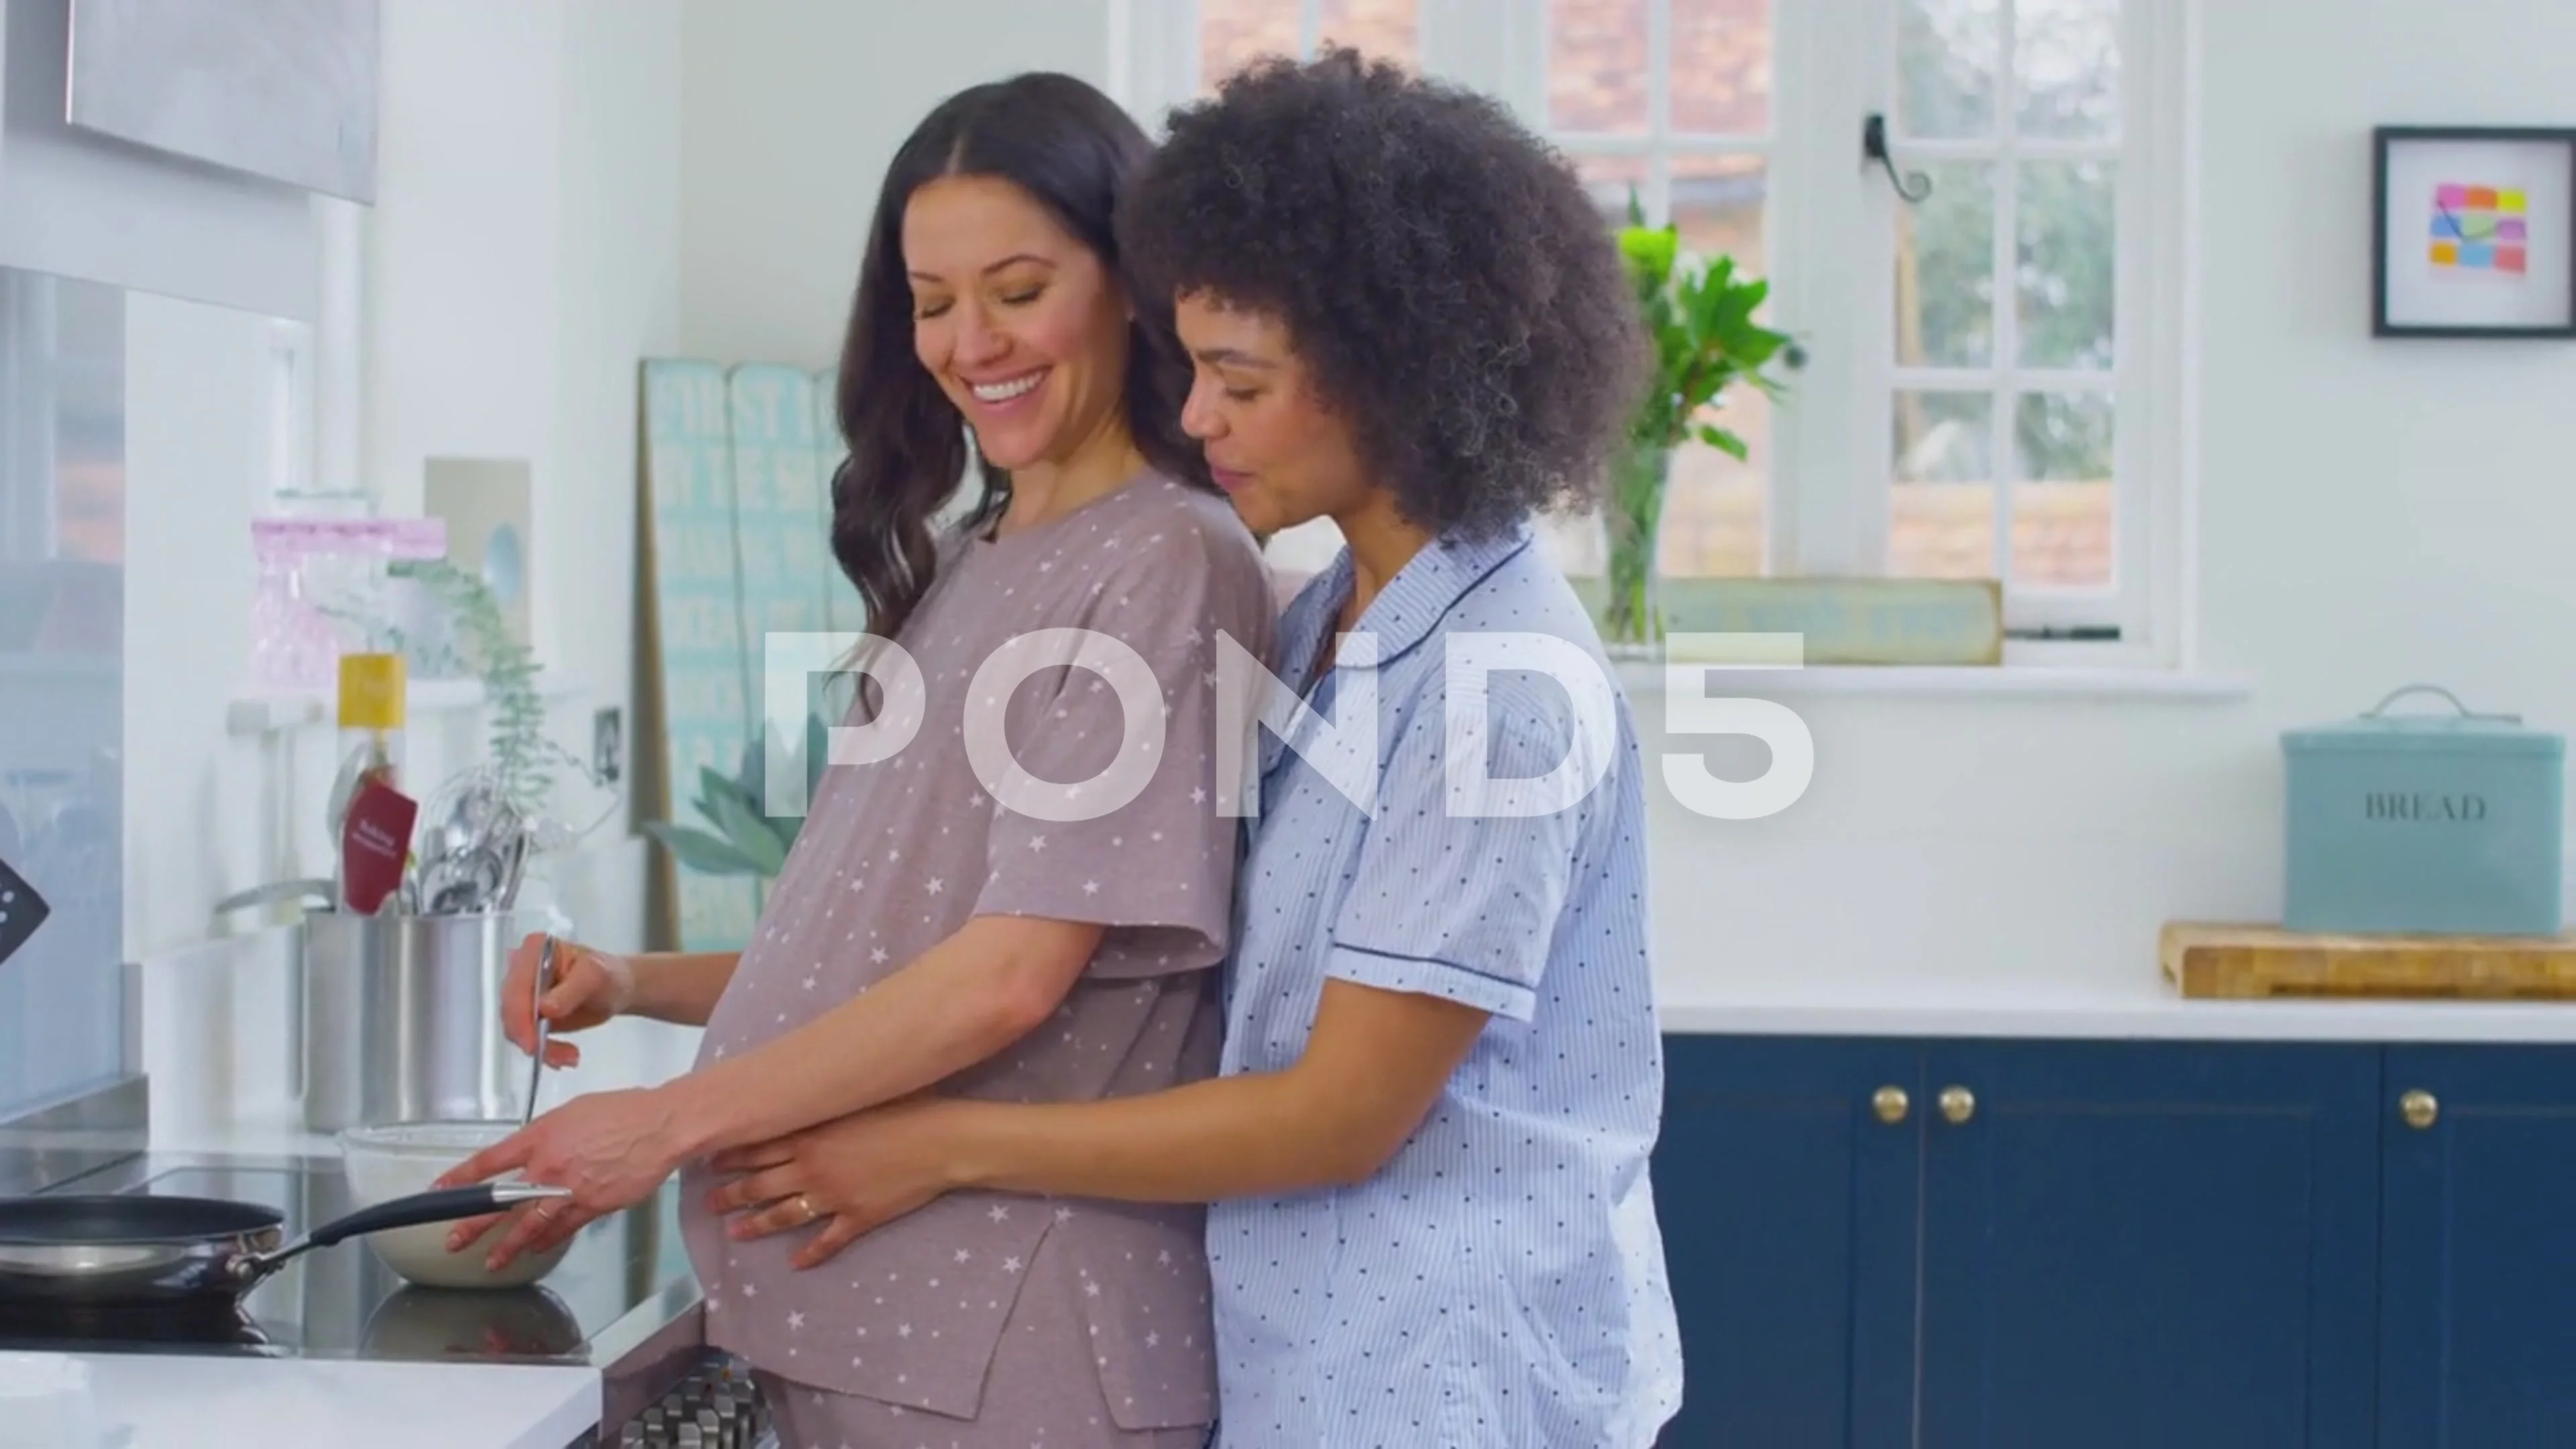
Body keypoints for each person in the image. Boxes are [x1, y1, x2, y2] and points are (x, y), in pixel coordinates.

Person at [701, 49, 1683, 1449]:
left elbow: (1339, 1117)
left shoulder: (1494, 688)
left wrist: (943, 1146)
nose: (1200, 417)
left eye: (1237, 379)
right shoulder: (1328, 630)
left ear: (1390, 376)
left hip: (1455, 1385)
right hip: (1310, 1367)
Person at [435, 70, 1275, 1449]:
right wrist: (639, 984)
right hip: (888, 1334)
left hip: (1017, 1344)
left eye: (1016, 289)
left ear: (1129, 282)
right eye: (932, 301)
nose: (969, 341)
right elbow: (904, 937)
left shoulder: (1169, 559)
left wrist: (666, 1126)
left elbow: (1013, 974)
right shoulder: (973, 556)